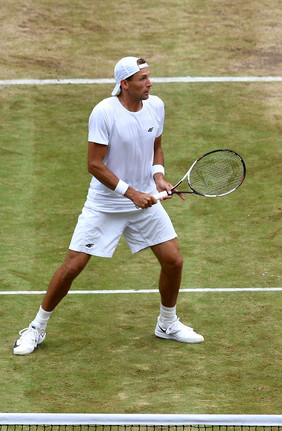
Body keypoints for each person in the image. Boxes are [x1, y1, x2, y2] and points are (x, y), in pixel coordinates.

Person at [13, 56, 204, 355]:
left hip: (144, 199)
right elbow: (94, 164)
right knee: (73, 266)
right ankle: (36, 327)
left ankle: (167, 323)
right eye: (142, 79)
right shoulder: (104, 113)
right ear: (124, 84)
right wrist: (131, 194)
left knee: (173, 260)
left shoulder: (156, 106)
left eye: (149, 77)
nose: (149, 83)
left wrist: (158, 177)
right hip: (105, 204)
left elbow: (155, 146)